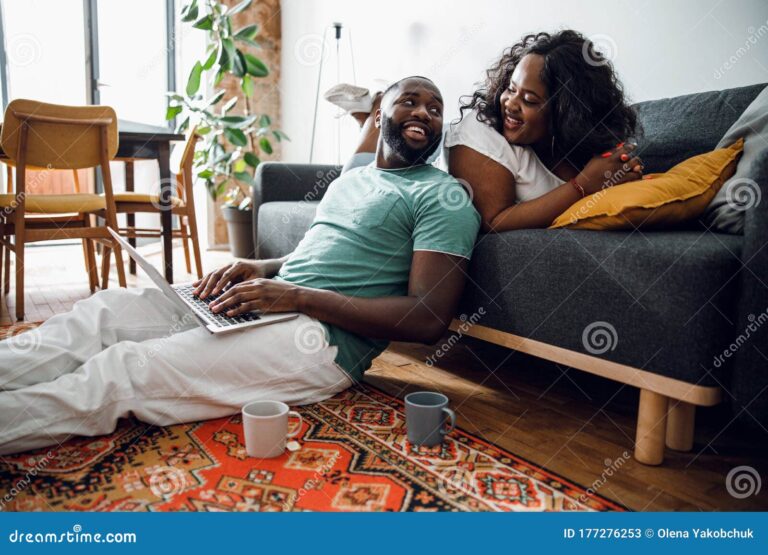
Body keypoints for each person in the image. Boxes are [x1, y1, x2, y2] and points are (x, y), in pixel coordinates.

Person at [0, 76, 480, 455]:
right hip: (270, 302)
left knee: (124, 370)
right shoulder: (351, 180)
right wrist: (262, 267)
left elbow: (428, 319)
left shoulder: (443, 196)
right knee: (102, 314)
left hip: (321, 343)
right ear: (379, 115)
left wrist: (294, 297)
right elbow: (313, 257)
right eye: (410, 101)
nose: (423, 113)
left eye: (435, 109)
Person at [332, 31, 644, 232]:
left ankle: (371, 110)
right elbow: (494, 221)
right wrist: (583, 185)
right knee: (359, 167)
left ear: (568, 113)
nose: (510, 104)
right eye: (511, 89)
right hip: (397, 172)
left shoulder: (585, 141)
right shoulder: (480, 132)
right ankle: (373, 106)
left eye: (529, 100)